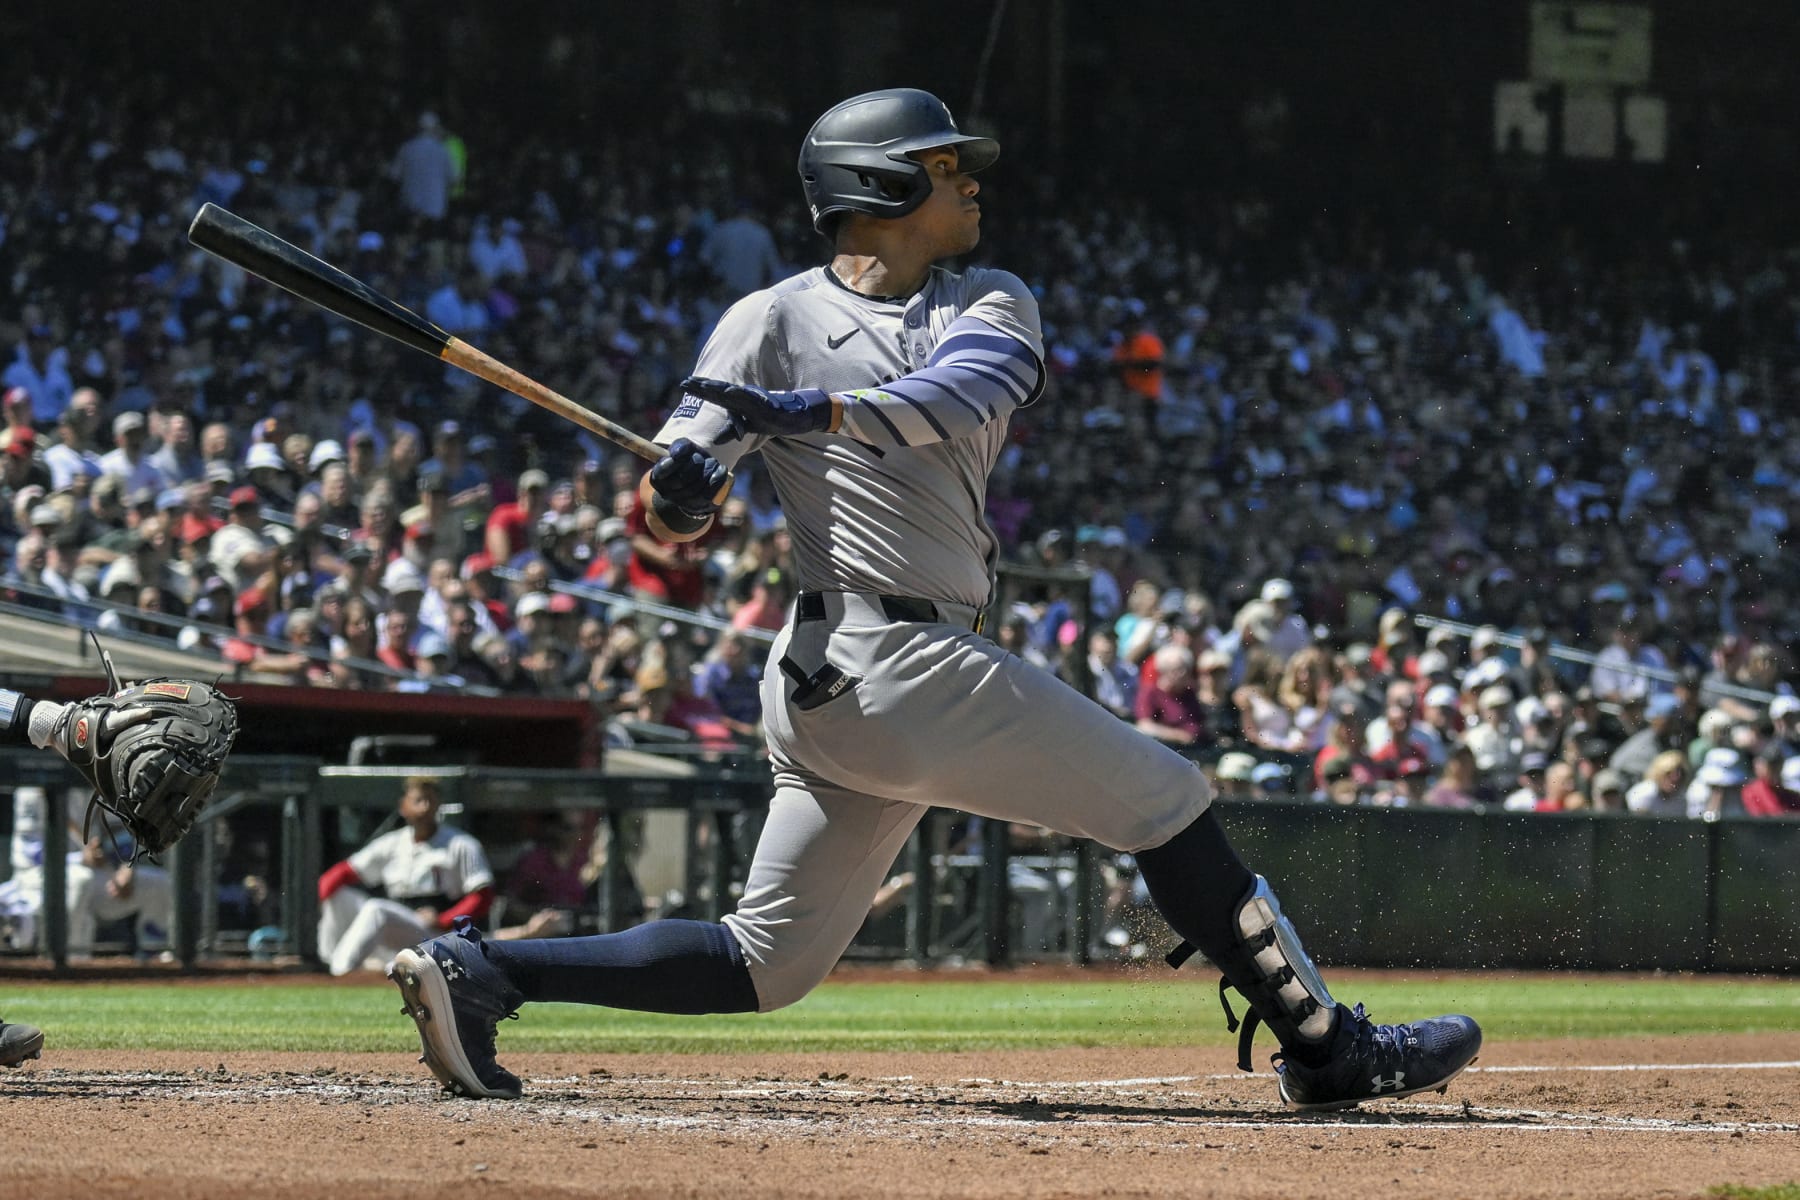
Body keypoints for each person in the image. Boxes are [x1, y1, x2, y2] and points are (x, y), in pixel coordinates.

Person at [388, 88, 1479, 1111]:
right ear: (880, 187)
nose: (970, 185)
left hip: (861, 677)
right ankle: (1328, 1051)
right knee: (1169, 800)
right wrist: (680, 485)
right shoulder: (765, 318)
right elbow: (682, 495)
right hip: (884, 661)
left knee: (768, 964)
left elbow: (960, 395)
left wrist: (811, 410)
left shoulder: (988, 299)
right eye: (944, 166)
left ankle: (482, 969)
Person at [317, 776, 495, 976]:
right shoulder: (393, 842)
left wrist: (444, 920)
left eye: (431, 801)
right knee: (338, 895)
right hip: (397, 923)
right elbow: (341, 873)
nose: (425, 808)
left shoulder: (461, 844)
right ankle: (325, 961)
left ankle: (340, 972)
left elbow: (483, 897)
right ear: (403, 806)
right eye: (418, 800)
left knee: (376, 909)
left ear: (439, 806)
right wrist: (317, 901)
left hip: (436, 932)